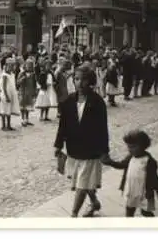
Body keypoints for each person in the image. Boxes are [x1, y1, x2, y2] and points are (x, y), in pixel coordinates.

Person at [54, 66, 109, 218]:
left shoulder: (97, 102)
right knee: (83, 180)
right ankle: (94, 202)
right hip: (74, 149)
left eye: (83, 80)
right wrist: (58, 145)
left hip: (90, 150)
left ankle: (73, 215)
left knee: (82, 184)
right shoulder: (69, 101)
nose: (80, 83)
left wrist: (104, 151)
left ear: (90, 81)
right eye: (77, 79)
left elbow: (102, 128)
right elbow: (63, 125)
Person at [102, 130, 158, 217]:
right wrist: (110, 162)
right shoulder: (130, 157)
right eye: (129, 147)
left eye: (133, 147)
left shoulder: (149, 161)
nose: (130, 150)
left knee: (145, 212)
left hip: (145, 192)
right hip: (132, 190)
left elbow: (154, 178)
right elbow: (121, 165)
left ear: (143, 146)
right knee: (129, 209)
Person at [0, 58, 20, 131]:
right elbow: (4, 87)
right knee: (4, 110)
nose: (11, 67)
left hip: (11, 93)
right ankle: (3, 125)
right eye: (9, 66)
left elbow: (13, 84)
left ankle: (8, 125)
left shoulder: (12, 74)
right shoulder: (5, 75)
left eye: (12, 66)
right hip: (6, 94)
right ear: (6, 66)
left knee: (9, 110)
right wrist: (7, 96)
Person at [17, 59, 37, 127]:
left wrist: (35, 91)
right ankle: (23, 119)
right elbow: (17, 82)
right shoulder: (22, 73)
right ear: (25, 65)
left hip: (30, 91)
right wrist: (22, 79)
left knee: (28, 106)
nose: (29, 66)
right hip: (23, 91)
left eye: (31, 65)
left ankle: (27, 119)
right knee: (23, 106)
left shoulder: (33, 74)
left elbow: (34, 83)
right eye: (28, 65)